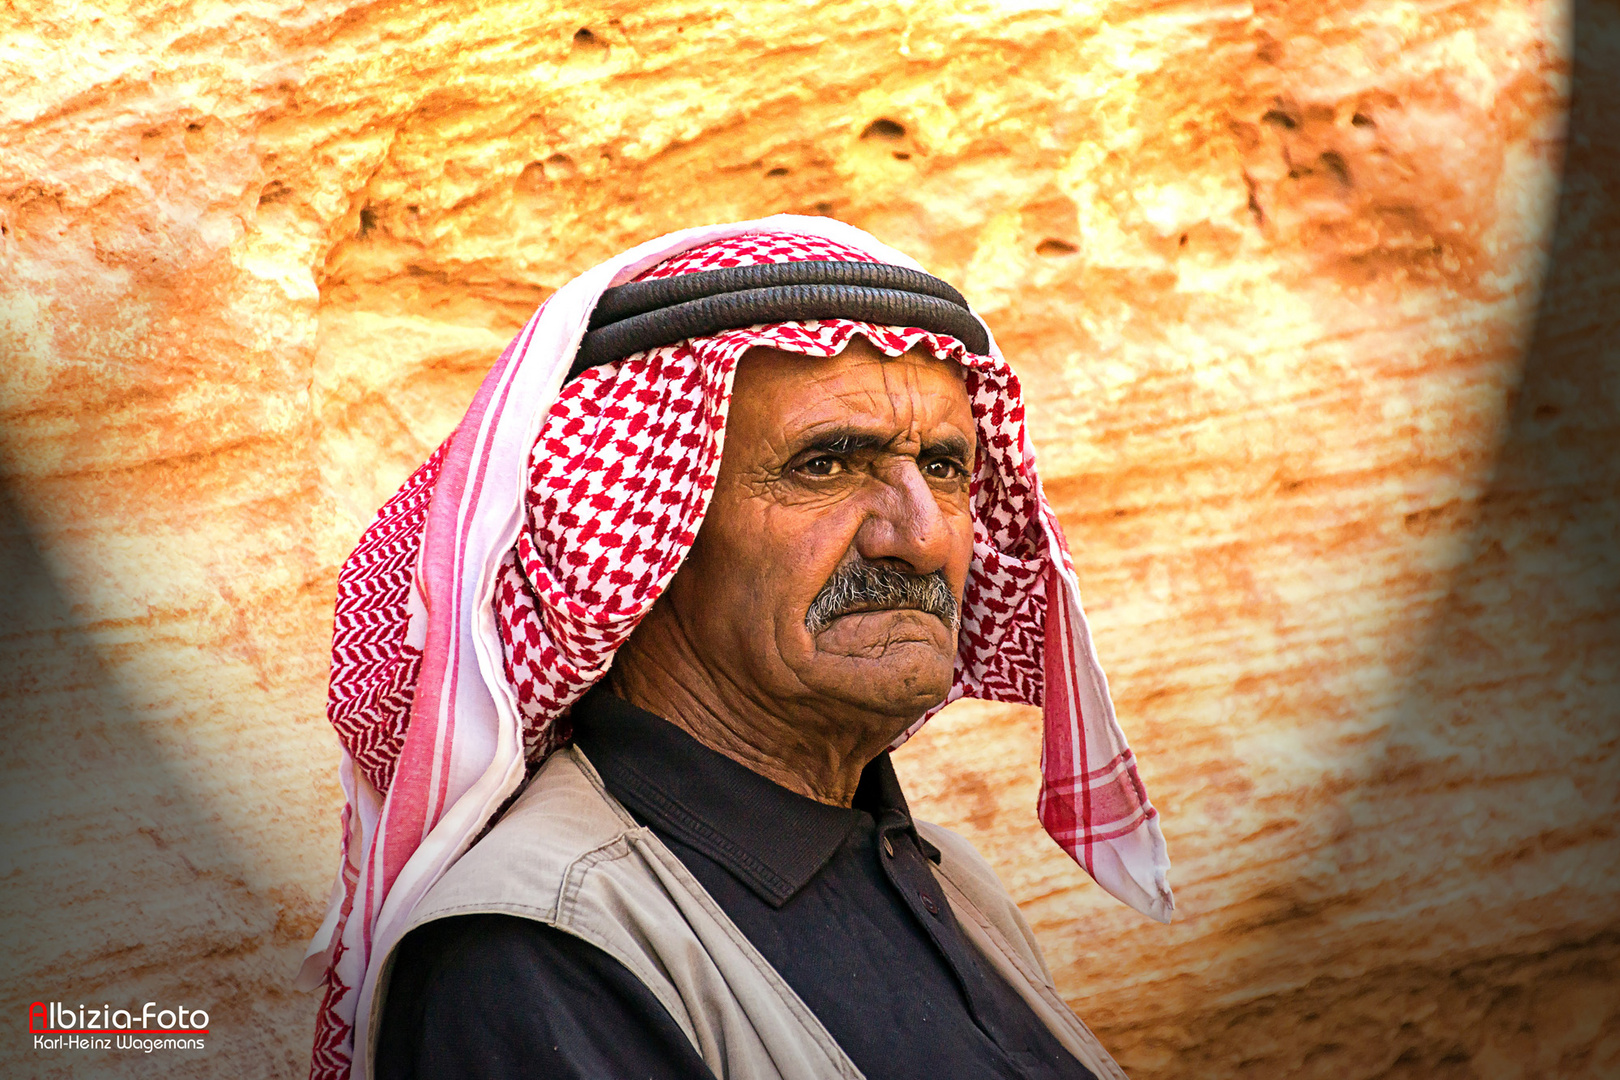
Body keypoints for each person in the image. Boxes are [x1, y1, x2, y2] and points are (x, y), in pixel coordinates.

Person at [301, 221, 1173, 1080]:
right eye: (826, 466)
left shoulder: (951, 879)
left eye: (944, 468)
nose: (921, 538)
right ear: (640, 534)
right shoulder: (542, 946)